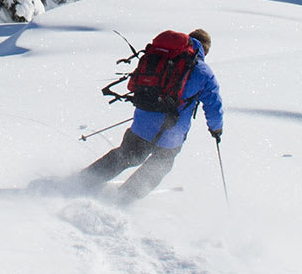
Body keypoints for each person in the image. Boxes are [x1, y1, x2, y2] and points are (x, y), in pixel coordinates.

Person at [80, 28, 224, 203]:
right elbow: (214, 106)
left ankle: (83, 181)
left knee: (126, 155)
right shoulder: (203, 72)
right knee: (159, 165)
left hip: (142, 122)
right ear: (205, 50)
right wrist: (216, 129)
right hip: (172, 134)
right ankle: (122, 200)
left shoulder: (163, 56)